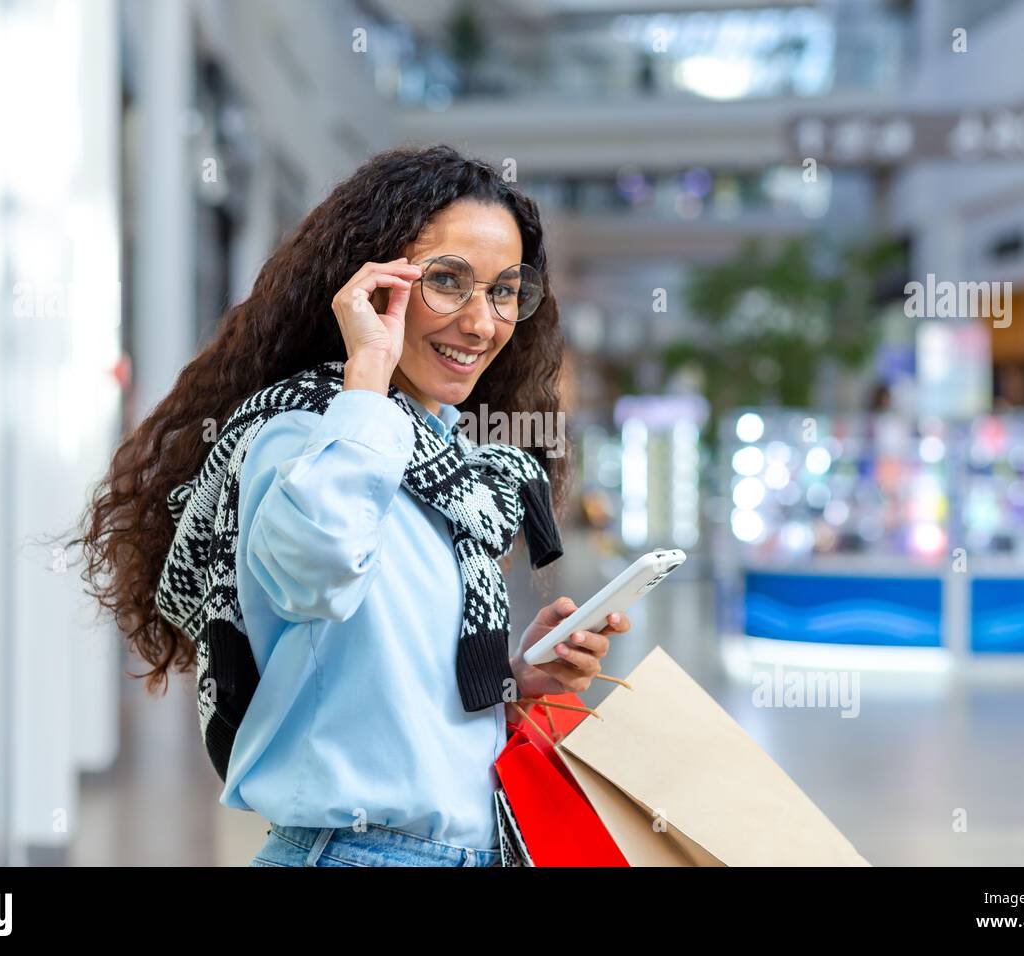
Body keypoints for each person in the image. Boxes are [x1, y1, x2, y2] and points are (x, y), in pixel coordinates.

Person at [76, 144, 629, 867]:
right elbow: (317, 570)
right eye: (448, 282)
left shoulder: (449, 471)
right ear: (374, 285)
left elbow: (386, 677)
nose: (481, 322)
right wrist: (366, 369)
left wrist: (519, 676)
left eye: (502, 291)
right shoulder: (305, 440)